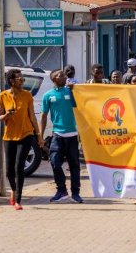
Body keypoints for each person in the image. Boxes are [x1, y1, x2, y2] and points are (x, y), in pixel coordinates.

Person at [0, 69, 43, 210]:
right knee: (9, 170)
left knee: (19, 167)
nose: (22, 81)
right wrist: (7, 115)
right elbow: (0, 117)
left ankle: (18, 200)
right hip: (9, 136)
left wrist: (38, 135)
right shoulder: (3, 96)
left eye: (23, 79)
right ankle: (13, 189)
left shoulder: (27, 95)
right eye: (20, 79)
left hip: (26, 134)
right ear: (12, 81)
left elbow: (32, 116)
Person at [40, 69, 83, 204]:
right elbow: (44, 116)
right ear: (54, 79)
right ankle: (61, 190)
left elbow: (83, 105)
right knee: (54, 162)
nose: (65, 77)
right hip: (57, 135)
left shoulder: (71, 92)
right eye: (61, 75)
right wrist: (40, 136)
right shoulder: (48, 95)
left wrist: (75, 90)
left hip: (73, 134)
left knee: (74, 165)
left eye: (64, 75)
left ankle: (75, 193)